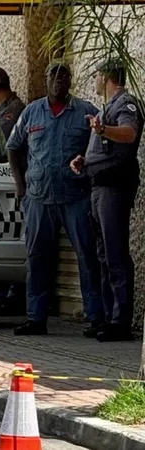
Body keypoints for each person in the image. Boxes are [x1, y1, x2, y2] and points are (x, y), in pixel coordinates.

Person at [6, 61, 104, 336]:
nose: (60, 80)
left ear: (71, 81)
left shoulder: (86, 112)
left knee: (87, 255)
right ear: (46, 80)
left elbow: (101, 146)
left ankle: (96, 317)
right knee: (37, 257)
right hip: (38, 197)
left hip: (76, 197)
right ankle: (36, 319)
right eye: (55, 75)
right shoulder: (31, 112)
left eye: (65, 76)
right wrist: (21, 186)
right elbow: (13, 148)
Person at [69, 59, 143, 342]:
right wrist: (84, 161)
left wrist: (103, 130)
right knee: (103, 255)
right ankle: (108, 318)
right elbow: (105, 148)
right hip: (98, 186)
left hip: (114, 187)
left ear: (107, 77)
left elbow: (129, 133)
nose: (96, 81)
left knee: (115, 254)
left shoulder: (126, 104)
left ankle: (120, 321)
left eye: (98, 75)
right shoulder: (106, 108)